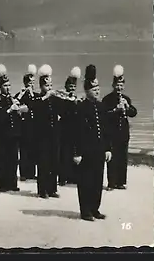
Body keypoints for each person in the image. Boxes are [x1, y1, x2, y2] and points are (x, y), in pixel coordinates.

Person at [74, 64, 112, 221]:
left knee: (97, 180)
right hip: (85, 151)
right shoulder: (81, 108)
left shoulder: (101, 107)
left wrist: (108, 149)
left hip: (98, 150)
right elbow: (75, 133)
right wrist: (76, 153)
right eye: (93, 88)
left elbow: (106, 131)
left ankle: (95, 208)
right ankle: (85, 211)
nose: (97, 90)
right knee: (85, 181)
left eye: (98, 87)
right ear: (87, 90)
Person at [29, 64, 63, 199]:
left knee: (54, 161)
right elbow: (33, 107)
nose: (49, 88)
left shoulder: (54, 99)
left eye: (50, 85)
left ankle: (52, 188)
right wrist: (45, 97)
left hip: (54, 134)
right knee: (43, 163)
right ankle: (42, 190)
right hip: (42, 136)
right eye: (47, 86)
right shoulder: (38, 98)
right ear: (41, 86)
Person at [103, 65, 138, 190]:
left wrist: (127, 107)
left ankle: (121, 182)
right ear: (113, 85)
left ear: (124, 86)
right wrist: (115, 110)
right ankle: (111, 183)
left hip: (123, 133)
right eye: (117, 85)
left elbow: (134, 113)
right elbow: (104, 116)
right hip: (111, 133)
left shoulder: (126, 98)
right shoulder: (107, 99)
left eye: (121, 85)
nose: (119, 87)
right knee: (112, 158)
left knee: (122, 158)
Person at [0, 64, 28, 192]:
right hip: (3, 134)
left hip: (13, 134)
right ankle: (2, 185)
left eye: (9, 85)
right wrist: (9, 110)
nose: (8, 88)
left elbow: (16, 116)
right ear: (0, 87)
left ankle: (12, 184)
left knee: (13, 159)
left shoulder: (11, 98)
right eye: (5, 86)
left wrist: (19, 110)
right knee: (3, 159)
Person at [59, 67, 82, 186]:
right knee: (64, 153)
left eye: (74, 87)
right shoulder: (62, 98)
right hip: (64, 129)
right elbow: (62, 112)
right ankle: (62, 177)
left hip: (74, 130)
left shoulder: (76, 99)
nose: (72, 88)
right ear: (66, 86)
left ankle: (73, 177)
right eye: (70, 86)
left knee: (74, 152)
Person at [16, 64, 38, 181]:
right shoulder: (21, 95)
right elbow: (17, 106)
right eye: (30, 83)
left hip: (34, 126)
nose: (32, 85)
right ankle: (24, 173)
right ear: (25, 84)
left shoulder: (36, 95)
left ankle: (31, 172)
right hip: (24, 126)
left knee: (33, 149)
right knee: (24, 151)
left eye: (33, 83)